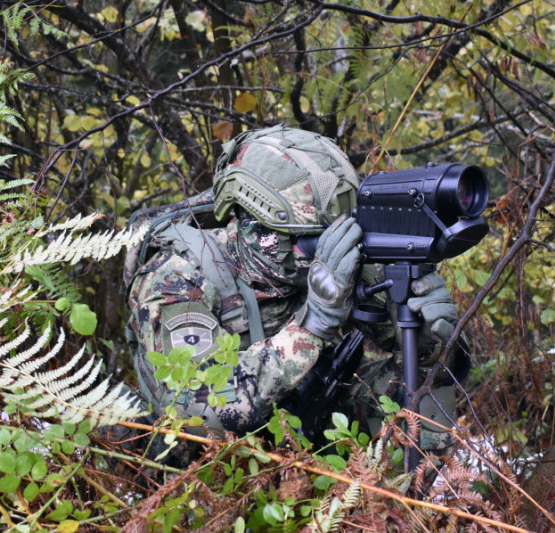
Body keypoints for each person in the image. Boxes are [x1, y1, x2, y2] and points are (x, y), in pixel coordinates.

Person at [122, 126, 464, 464]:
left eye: (329, 236)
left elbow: (415, 360)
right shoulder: (177, 278)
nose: (317, 254)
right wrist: (314, 324)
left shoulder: (324, 259)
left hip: (305, 424)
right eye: (307, 239)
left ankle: (398, 512)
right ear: (251, 223)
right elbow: (202, 408)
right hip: (202, 461)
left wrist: (427, 343)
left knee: (431, 388)